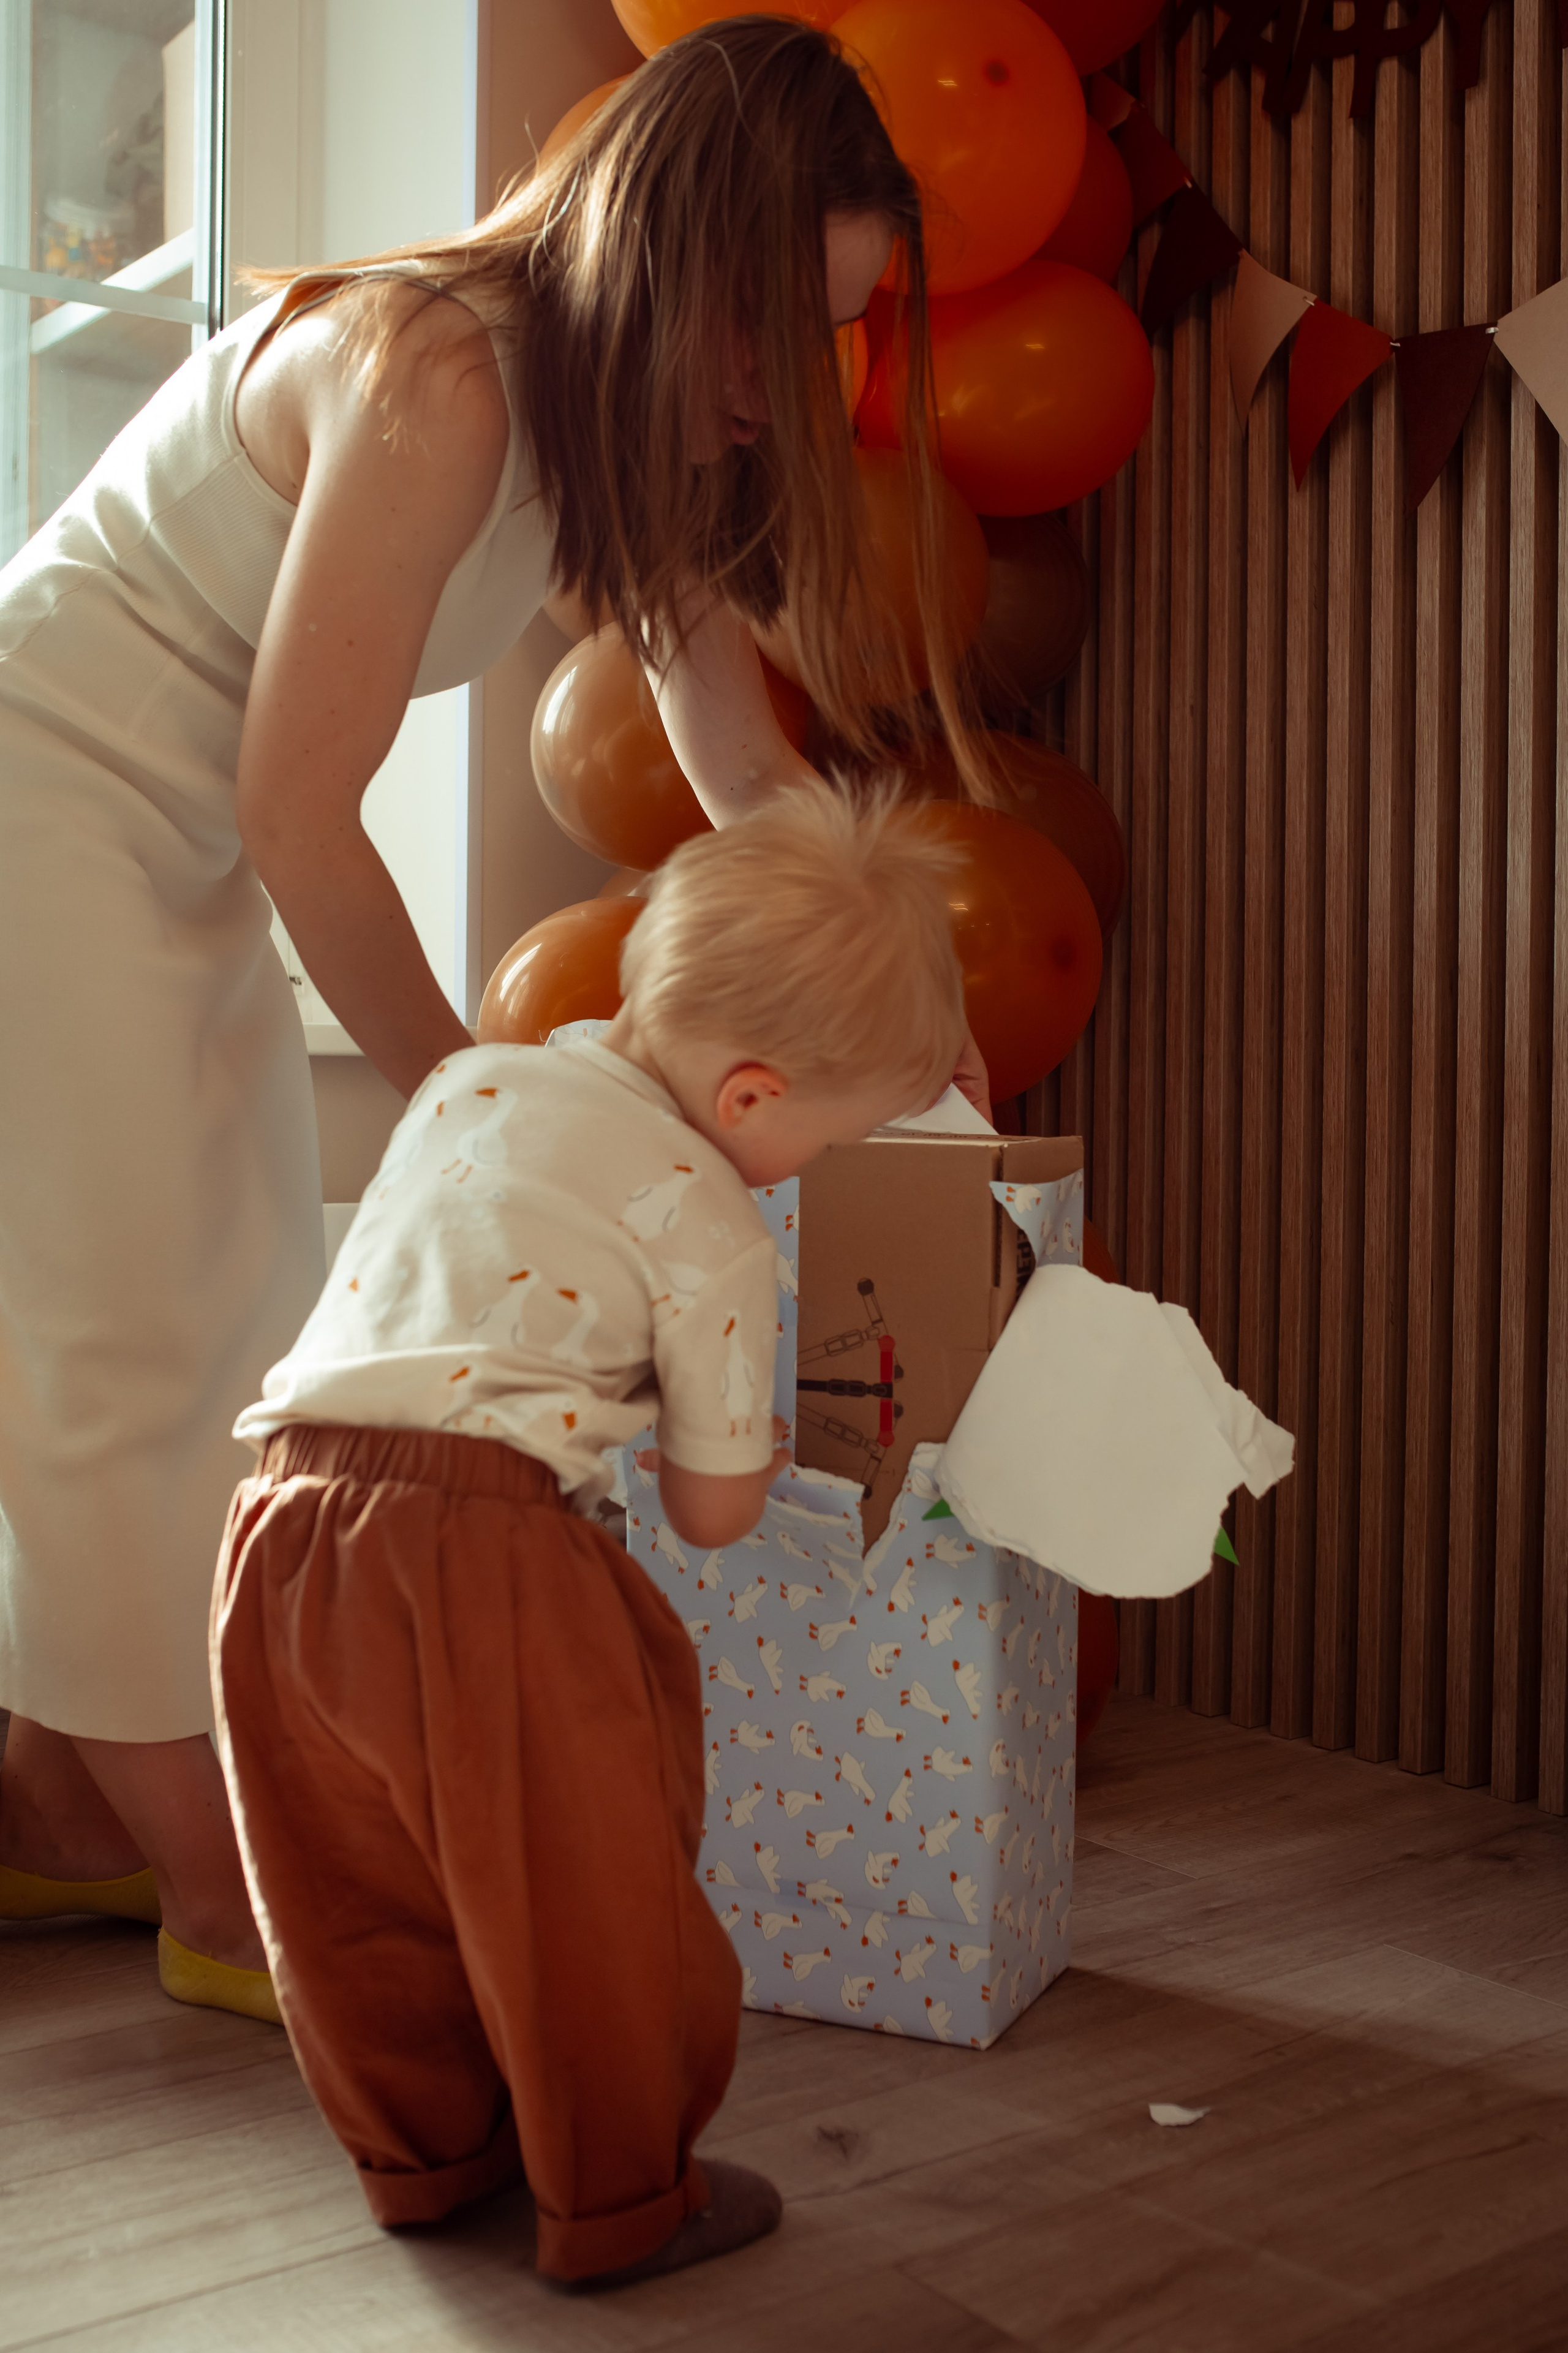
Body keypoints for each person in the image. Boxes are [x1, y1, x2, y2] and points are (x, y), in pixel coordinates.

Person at [0, 18, 986, 2012]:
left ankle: (59, 1809)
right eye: (777, 325)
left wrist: (918, 1028)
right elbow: (302, 805)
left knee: (257, 1321)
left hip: (168, 844)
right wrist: (475, 1111)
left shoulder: (633, 446)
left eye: (833, 341)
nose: (784, 387)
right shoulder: (446, 372)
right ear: (674, 243)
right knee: (127, 1351)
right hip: (49, 791)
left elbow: (739, 769)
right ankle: (228, 1890)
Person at [209, 787, 967, 2285]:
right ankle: (623, 2196)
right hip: (478, 1543)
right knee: (588, 1885)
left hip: (276, 1525)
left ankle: (424, 2164)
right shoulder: (711, 1218)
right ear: (748, 1097)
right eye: (839, 1133)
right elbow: (708, 1506)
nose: (821, 1165)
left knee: (357, 1889)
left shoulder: (467, 1083)